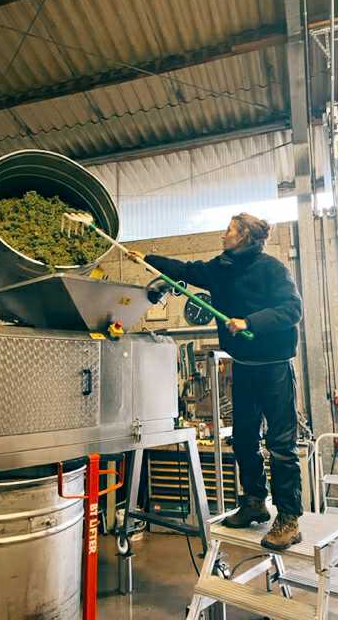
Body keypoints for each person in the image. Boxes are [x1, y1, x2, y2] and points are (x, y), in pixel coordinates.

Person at [128, 213, 303, 550]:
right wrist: (147, 259)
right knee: (243, 439)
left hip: (275, 366)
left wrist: (250, 321)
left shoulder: (272, 269)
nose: (223, 235)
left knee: (281, 446)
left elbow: (292, 309)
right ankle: (254, 502)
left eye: (229, 231)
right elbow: (188, 271)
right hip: (244, 365)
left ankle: (289, 519)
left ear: (245, 238)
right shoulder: (222, 268)